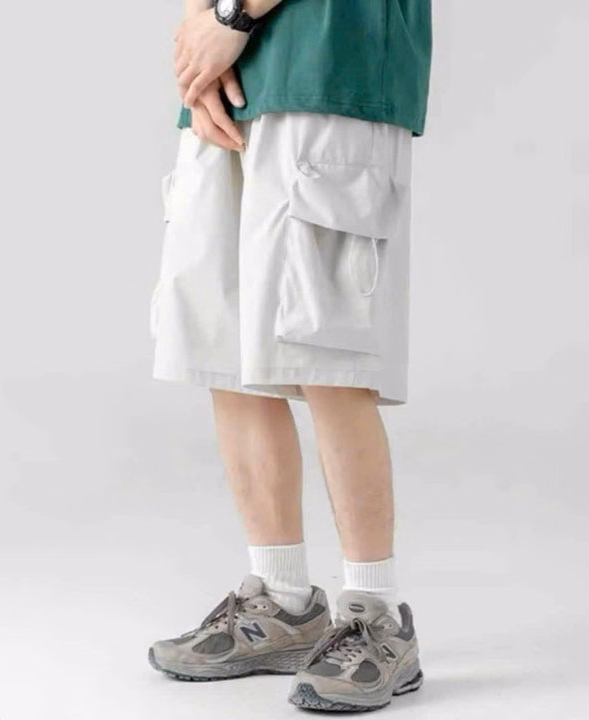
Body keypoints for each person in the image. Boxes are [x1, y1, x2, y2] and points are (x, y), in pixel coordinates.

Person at [148, 0, 432, 712]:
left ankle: (375, 615)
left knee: (326, 357)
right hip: (234, 74)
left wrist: (232, 18)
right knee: (228, 353)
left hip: (331, 63)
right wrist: (199, 54)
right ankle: (282, 602)